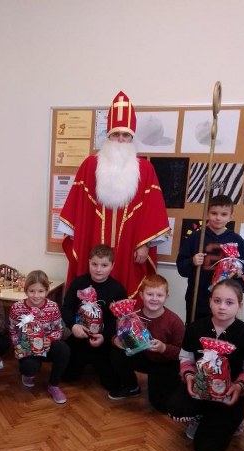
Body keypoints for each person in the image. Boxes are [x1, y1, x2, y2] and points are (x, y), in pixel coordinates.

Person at [58, 90, 170, 301]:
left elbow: (152, 212)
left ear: (132, 137)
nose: (120, 139)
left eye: (125, 135)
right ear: (108, 136)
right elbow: (77, 207)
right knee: (91, 293)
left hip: (130, 246)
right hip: (92, 242)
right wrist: (79, 240)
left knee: (126, 293)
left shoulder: (145, 170)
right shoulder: (90, 165)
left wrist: (145, 244)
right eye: (115, 134)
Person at [167, 279, 244, 451]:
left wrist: (239, 386)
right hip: (200, 387)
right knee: (175, 408)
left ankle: (232, 419)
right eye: (217, 301)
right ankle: (201, 415)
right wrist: (189, 376)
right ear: (210, 301)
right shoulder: (195, 328)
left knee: (206, 450)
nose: (222, 307)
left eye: (229, 302)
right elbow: (186, 358)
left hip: (229, 396)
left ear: (239, 306)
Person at [108, 274, 184, 412]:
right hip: (143, 357)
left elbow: (182, 353)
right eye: (150, 294)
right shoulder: (132, 315)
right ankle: (131, 387)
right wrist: (116, 340)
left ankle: (170, 384)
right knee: (116, 352)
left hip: (165, 362)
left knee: (161, 405)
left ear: (166, 296)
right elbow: (117, 334)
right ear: (141, 295)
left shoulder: (174, 321)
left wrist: (163, 348)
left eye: (159, 295)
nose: (154, 298)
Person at [176, 194, 244, 323]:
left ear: (231, 216)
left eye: (224, 214)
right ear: (207, 214)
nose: (218, 218)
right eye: (214, 213)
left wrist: (238, 287)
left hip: (225, 301)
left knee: (222, 331)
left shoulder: (237, 240)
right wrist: (192, 262)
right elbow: (181, 268)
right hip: (198, 299)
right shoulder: (196, 237)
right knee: (195, 330)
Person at [61, 244, 126, 390]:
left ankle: (98, 364)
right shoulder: (78, 282)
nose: (98, 269)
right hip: (79, 336)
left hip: (103, 340)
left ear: (112, 266)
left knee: (112, 384)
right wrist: (73, 326)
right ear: (89, 262)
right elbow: (66, 308)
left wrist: (105, 336)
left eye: (104, 265)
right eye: (94, 264)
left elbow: (120, 320)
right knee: (67, 376)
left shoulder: (117, 289)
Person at [9, 270, 70, 404]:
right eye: (32, 291)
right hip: (28, 349)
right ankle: (28, 374)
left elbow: (58, 329)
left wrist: (50, 340)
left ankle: (53, 385)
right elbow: (13, 330)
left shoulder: (52, 307)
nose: (36, 296)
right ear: (26, 291)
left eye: (41, 291)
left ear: (47, 291)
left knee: (63, 349)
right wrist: (18, 345)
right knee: (29, 367)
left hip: (47, 347)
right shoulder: (17, 308)